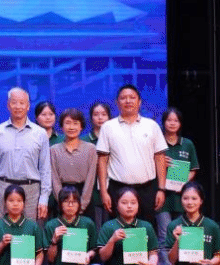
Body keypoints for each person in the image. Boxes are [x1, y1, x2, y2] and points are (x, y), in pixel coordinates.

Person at [96, 85, 167, 225]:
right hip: (117, 188)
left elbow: (160, 159)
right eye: (123, 98)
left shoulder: (152, 125)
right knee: (119, 231)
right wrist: (103, 192)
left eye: (132, 97)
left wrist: (161, 189)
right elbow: (102, 161)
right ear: (117, 102)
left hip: (147, 189)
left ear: (139, 102)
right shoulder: (108, 127)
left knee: (145, 229)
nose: (128, 101)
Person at [0, 87, 52, 223]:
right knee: (1, 230)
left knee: (28, 232)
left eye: (22, 103)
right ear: (8, 105)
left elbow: (45, 169)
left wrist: (44, 198)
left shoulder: (40, 134)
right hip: (2, 188)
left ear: (28, 106)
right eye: (14, 102)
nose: (18, 106)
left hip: (31, 190)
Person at [158, 106, 199, 265]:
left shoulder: (187, 144)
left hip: (183, 198)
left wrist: (183, 181)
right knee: (164, 236)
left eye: (176, 120)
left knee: (186, 235)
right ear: (164, 122)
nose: (172, 123)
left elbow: (193, 169)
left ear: (180, 124)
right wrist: (160, 164)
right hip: (163, 197)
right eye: (169, 120)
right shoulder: (157, 144)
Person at [50, 108, 97, 215]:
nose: (71, 127)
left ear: (81, 127)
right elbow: (54, 180)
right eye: (67, 123)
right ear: (62, 127)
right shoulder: (54, 150)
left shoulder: (90, 149)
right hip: (62, 196)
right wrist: (62, 202)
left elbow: (90, 179)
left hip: (84, 196)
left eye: (75, 123)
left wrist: (82, 204)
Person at [83, 101, 112, 229]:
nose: (100, 117)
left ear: (109, 117)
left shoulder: (114, 138)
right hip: (92, 189)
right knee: (95, 226)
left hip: (112, 186)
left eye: (104, 114)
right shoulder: (84, 140)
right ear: (91, 118)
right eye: (96, 114)